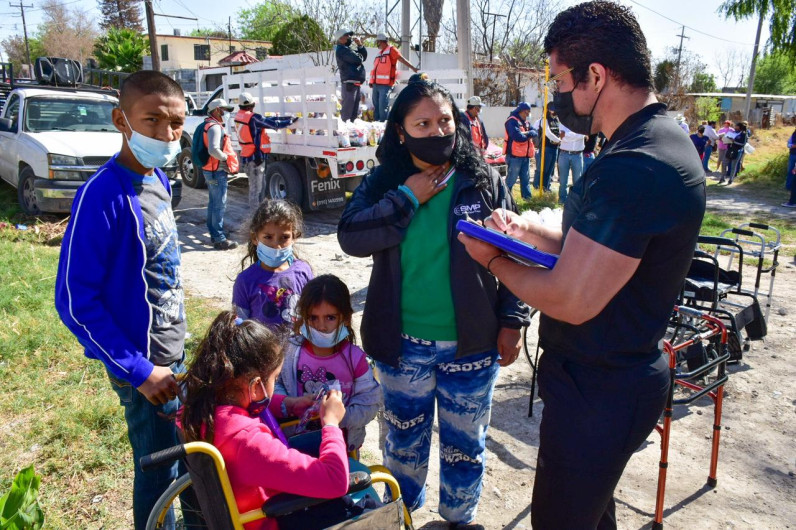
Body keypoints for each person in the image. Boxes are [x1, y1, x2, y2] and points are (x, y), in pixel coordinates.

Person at [457, 2, 705, 527]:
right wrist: (525, 232)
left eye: (561, 81)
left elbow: (571, 298)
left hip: (602, 388)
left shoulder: (636, 163)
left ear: (596, 74)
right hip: (608, 380)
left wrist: (493, 259)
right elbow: (593, 247)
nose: (559, 95)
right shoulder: (649, 141)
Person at [337, 75, 530, 527]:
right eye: (422, 124)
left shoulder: (481, 180)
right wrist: (407, 198)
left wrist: (513, 320)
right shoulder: (385, 182)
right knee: (402, 447)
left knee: (466, 447)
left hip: (473, 346)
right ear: (401, 132)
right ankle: (402, 516)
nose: (437, 131)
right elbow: (350, 236)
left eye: (444, 121)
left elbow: (516, 251)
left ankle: (459, 520)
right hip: (403, 346)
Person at [54, 70, 187, 529]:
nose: (166, 134)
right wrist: (140, 371)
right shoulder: (102, 195)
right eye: (152, 120)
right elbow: (76, 302)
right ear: (121, 120)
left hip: (172, 356)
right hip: (144, 369)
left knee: (186, 462)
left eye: (176, 123)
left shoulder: (159, 180)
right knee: (158, 475)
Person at [180, 311, 354, 530]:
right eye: (275, 378)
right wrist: (331, 423)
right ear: (255, 386)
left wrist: (289, 403)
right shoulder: (249, 443)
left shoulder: (200, 410)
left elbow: (255, 403)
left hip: (250, 507)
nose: (274, 384)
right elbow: (335, 481)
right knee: (359, 504)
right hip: (274, 520)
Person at [276, 274, 381, 453]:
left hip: (341, 449)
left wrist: (337, 417)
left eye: (330, 318)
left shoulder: (356, 359)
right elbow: (275, 384)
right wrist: (291, 403)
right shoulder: (290, 352)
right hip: (295, 446)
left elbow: (369, 403)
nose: (321, 326)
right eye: (313, 318)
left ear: (345, 318)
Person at [233, 199, 313, 331]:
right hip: (260, 345)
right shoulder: (245, 280)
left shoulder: (303, 271)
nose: (277, 246)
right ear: (255, 238)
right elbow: (240, 328)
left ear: (294, 237)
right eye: (268, 237)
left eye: (284, 237)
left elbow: (314, 314)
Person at [234, 92, 297, 209]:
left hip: (247, 156)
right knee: (257, 190)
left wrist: (284, 118)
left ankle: (257, 212)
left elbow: (266, 120)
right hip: (256, 158)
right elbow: (273, 124)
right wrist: (290, 122)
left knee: (255, 188)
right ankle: (256, 214)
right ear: (252, 105)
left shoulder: (239, 117)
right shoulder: (253, 118)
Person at [203, 98, 240, 250]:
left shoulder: (208, 124)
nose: (227, 113)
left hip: (210, 170)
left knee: (213, 204)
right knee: (218, 205)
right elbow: (213, 150)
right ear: (217, 110)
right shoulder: (215, 127)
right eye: (225, 110)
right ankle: (219, 239)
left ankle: (215, 234)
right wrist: (226, 158)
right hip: (216, 171)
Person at [369, 33, 418, 121]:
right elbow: (375, 69)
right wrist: (371, 82)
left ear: (382, 41)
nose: (377, 44)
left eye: (378, 42)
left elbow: (402, 59)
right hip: (376, 84)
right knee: (376, 105)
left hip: (385, 85)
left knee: (382, 105)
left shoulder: (391, 50)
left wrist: (413, 68)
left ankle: (384, 125)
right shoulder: (379, 53)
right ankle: (376, 124)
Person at [504, 102, 538, 199]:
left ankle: (527, 198)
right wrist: (529, 134)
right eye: (527, 112)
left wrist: (527, 133)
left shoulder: (525, 122)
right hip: (514, 157)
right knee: (511, 180)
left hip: (525, 156)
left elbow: (535, 132)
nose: (528, 114)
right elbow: (518, 137)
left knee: (525, 179)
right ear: (522, 111)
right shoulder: (512, 121)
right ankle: (505, 199)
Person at [335, 29, 367, 122]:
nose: (349, 37)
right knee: (347, 112)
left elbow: (363, 57)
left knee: (354, 113)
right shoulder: (342, 50)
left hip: (354, 84)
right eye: (346, 35)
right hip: (349, 84)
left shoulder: (347, 49)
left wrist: (360, 45)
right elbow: (358, 59)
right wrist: (358, 54)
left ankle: (351, 129)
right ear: (340, 38)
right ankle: (344, 129)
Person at [533, 106, 562, 192]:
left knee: (550, 170)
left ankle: (546, 187)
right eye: (552, 109)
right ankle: (538, 187)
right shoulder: (544, 120)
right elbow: (547, 133)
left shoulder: (556, 120)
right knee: (543, 169)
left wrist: (559, 140)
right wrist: (558, 140)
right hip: (546, 148)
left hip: (555, 148)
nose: (554, 111)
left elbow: (559, 132)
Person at [556, 122, 586, 202]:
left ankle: (575, 201)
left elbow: (581, 135)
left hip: (577, 155)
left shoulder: (582, 123)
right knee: (563, 181)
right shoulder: (563, 123)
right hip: (564, 154)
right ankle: (562, 200)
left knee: (577, 181)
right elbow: (562, 137)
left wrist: (566, 135)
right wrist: (576, 134)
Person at [719, 121, 747, 185]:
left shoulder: (743, 134)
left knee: (733, 166)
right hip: (729, 150)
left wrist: (734, 141)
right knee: (724, 163)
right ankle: (722, 178)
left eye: (736, 126)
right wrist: (725, 139)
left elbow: (742, 144)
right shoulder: (732, 133)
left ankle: (731, 179)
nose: (735, 127)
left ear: (739, 127)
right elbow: (728, 141)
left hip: (737, 151)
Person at [781, 128, 796, 207]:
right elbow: (788, 144)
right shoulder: (794, 134)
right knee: (791, 171)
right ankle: (789, 187)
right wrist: (792, 146)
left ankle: (792, 201)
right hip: (793, 154)